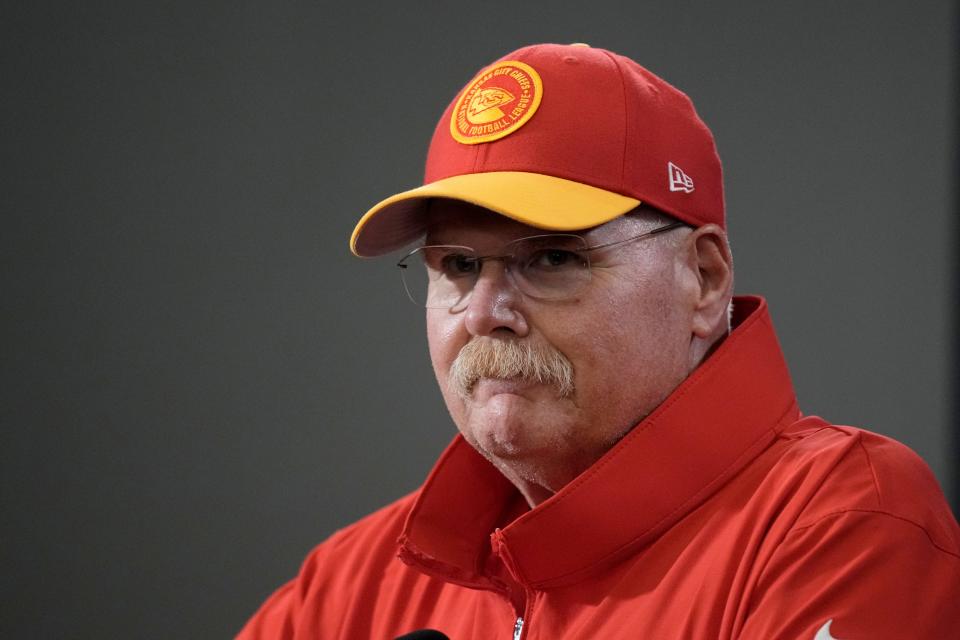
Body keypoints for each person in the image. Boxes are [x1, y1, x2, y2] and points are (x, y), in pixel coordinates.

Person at [239, 43, 960, 639]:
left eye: (553, 258)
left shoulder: (838, 524)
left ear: (702, 279)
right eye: (458, 266)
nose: (486, 311)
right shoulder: (348, 588)